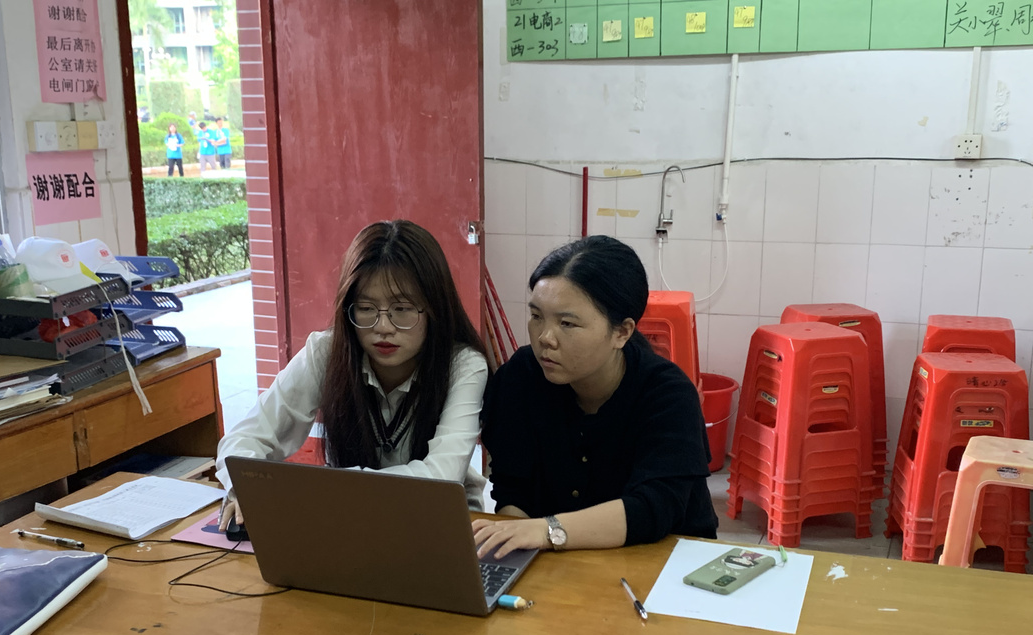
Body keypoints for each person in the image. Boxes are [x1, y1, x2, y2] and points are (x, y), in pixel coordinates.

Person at [217, 220, 489, 527]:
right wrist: (246, 488)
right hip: (349, 519)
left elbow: (440, 477)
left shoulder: (463, 365)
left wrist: (327, 489)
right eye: (366, 308)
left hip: (438, 522)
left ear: (435, 308)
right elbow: (244, 440)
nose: (383, 327)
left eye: (402, 309)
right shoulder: (326, 351)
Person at [474, 235, 718, 559]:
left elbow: (652, 508)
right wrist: (512, 555)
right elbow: (512, 492)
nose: (545, 338)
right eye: (536, 316)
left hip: (662, 562)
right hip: (556, 563)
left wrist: (547, 531)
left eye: (567, 323)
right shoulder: (521, 377)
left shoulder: (666, 394)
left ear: (622, 332)